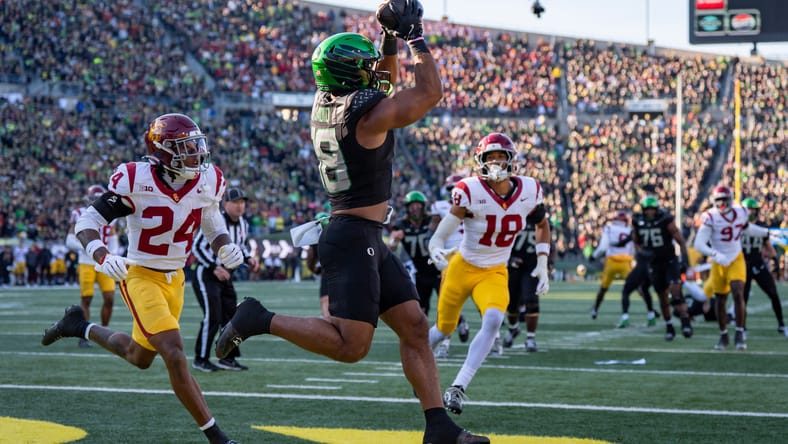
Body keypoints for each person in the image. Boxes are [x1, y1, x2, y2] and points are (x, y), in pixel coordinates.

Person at [215, 3, 488, 443]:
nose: (372, 71)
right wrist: (414, 36)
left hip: (363, 234)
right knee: (351, 346)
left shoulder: (328, 103)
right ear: (348, 74)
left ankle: (438, 426)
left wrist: (387, 37)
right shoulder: (363, 117)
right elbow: (428, 93)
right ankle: (258, 318)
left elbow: (381, 81)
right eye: (362, 66)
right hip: (351, 236)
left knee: (415, 326)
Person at [41, 113, 242, 444]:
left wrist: (224, 244)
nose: (196, 153)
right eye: (186, 147)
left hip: (175, 277)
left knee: (140, 356)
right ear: (163, 152)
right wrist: (103, 255)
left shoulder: (208, 180)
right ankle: (218, 438)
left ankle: (78, 326)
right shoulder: (135, 179)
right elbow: (87, 221)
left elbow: (210, 216)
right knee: (174, 352)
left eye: (196, 145)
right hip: (140, 276)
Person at [427, 132, 551, 415]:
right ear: (480, 162)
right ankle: (420, 365)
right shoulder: (470, 189)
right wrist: (435, 244)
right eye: (490, 157)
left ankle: (458, 386)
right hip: (462, 267)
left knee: (494, 319)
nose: (495, 162)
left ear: (512, 160)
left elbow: (542, 224)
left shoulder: (529, 190)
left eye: (500, 156)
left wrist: (542, 262)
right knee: (443, 329)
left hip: (494, 270)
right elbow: (447, 225)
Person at [191, 187, 260, 372]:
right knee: (212, 316)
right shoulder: (216, 221)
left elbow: (240, 248)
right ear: (225, 203)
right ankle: (200, 358)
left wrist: (249, 259)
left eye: (242, 202)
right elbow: (196, 247)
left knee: (232, 318)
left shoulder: (243, 224)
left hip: (225, 275)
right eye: (236, 202)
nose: (240, 206)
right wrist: (215, 267)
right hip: (207, 274)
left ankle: (228, 358)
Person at [693, 186, 771, 350]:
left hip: (736, 257)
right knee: (721, 299)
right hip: (719, 261)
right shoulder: (710, 217)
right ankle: (723, 335)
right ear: (714, 201)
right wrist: (715, 255)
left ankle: (740, 332)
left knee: (737, 291)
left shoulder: (741, 212)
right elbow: (698, 244)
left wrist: (765, 233)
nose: (722, 204)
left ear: (730, 200)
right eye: (718, 200)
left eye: (724, 200)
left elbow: (746, 228)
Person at [631, 195, 693, 341]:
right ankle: (669, 326)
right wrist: (641, 253)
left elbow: (680, 240)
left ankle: (686, 323)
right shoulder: (637, 222)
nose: (650, 213)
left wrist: (685, 260)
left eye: (653, 209)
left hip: (669, 260)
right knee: (662, 297)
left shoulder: (665, 220)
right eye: (648, 210)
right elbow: (636, 242)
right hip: (653, 263)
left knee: (676, 291)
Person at [65, 184, 119, 348]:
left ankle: (105, 331)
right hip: (86, 261)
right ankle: (85, 333)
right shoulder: (78, 213)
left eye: (98, 198)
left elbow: (113, 237)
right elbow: (69, 240)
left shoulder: (112, 214)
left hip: (104, 260)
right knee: (86, 299)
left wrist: (112, 255)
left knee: (109, 298)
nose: (95, 201)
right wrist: (90, 247)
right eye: (92, 198)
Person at [590, 210, 656, 328]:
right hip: (626, 261)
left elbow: (603, 246)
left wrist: (594, 256)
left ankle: (595, 309)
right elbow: (634, 247)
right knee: (638, 288)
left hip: (611, 261)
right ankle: (651, 311)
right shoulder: (630, 230)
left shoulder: (609, 228)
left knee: (604, 288)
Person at [429, 174, 471, 358]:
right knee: (447, 300)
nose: (453, 191)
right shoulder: (440, 207)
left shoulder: (476, 203)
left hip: (472, 253)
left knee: (482, 301)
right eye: (450, 188)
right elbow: (432, 232)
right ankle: (445, 341)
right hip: (450, 256)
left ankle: (494, 339)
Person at [739, 198, 787, 337]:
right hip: (742, 265)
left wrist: (775, 260)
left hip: (758, 264)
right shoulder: (738, 226)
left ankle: (781, 325)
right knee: (743, 298)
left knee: (773, 293)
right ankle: (742, 328)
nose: (751, 212)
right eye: (749, 210)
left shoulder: (762, 226)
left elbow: (768, 246)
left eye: (753, 210)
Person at [503, 221, 546, 352]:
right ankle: (513, 328)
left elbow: (549, 243)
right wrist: (510, 259)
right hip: (513, 266)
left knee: (531, 300)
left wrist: (548, 263)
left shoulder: (539, 218)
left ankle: (530, 337)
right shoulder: (513, 214)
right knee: (511, 303)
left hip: (532, 266)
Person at [305, 212, 331, 318]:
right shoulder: (341, 232)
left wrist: (316, 270)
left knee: (325, 301)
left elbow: (310, 260)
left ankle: (330, 328)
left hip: (329, 271)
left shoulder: (316, 239)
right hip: (348, 271)